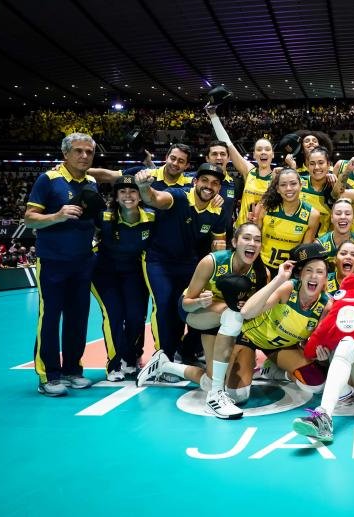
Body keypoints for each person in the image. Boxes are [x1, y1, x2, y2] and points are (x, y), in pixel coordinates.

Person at [137, 223, 268, 419]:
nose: (252, 243)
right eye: (247, 238)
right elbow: (187, 303)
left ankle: (164, 365)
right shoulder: (212, 262)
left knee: (223, 387)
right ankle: (215, 397)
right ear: (234, 242)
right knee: (232, 314)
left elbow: (254, 310)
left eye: (257, 240)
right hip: (197, 313)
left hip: (227, 324)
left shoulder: (260, 273)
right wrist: (200, 301)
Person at [25, 132, 101, 396]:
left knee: (78, 318)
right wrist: (57, 216)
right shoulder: (48, 180)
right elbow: (29, 219)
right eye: (78, 151)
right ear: (65, 154)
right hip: (53, 261)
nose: (84, 156)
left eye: (89, 152)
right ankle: (49, 376)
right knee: (50, 318)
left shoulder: (91, 181)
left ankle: (72, 370)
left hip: (82, 262)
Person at [214, 243, 332, 406]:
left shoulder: (326, 306)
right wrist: (279, 278)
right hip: (251, 336)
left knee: (316, 385)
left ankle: (273, 370)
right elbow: (246, 312)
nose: (314, 276)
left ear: (326, 279)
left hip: (280, 346)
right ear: (300, 275)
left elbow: (315, 344)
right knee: (237, 396)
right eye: (309, 271)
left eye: (320, 272)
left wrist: (322, 358)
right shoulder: (288, 288)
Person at [135, 163, 227, 362]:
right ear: (195, 182)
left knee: (188, 308)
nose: (209, 186)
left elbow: (219, 242)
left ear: (219, 188)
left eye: (215, 183)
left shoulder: (218, 209)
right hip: (159, 261)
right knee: (165, 305)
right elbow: (155, 198)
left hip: (189, 264)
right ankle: (163, 358)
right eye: (204, 180)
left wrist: (221, 273)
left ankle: (182, 350)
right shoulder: (178, 196)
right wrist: (143, 187)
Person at [91, 175, 156, 381]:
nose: (128, 195)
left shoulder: (152, 218)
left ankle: (131, 357)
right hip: (104, 275)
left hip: (135, 274)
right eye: (123, 192)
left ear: (140, 195)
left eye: (133, 191)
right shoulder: (103, 218)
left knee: (136, 317)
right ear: (116, 197)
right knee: (114, 316)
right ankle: (114, 363)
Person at [253, 168, 321, 276]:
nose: (288, 188)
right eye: (283, 185)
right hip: (261, 266)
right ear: (278, 189)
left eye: (293, 184)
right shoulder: (266, 207)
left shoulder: (312, 215)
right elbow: (255, 240)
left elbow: (303, 252)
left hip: (288, 271)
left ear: (301, 185)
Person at [316, 198, 354, 274]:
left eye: (347, 214)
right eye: (338, 213)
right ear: (331, 218)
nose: (343, 217)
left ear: (353, 219)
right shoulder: (319, 244)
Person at [300, 147, 335, 234]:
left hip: (322, 243)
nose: (316, 167)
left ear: (328, 165)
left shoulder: (334, 187)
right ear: (308, 166)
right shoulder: (298, 183)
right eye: (312, 164)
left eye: (321, 163)